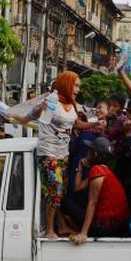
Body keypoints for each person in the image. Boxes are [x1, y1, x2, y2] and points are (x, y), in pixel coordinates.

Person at [12, 70, 89, 238]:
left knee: (58, 194)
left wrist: (94, 125)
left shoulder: (71, 104)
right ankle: (49, 230)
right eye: (75, 85)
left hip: (63, 154)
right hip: (49, 154)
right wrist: (40, 108)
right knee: (56, 192)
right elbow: (43, 120)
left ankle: (60, 225)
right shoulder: (53, 100)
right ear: (66, 84)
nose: (77, 89)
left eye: (78, 87)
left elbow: (76, 124)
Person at [57, 136, 130, 244]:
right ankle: (66, 226)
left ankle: (65, 227)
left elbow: (92, 203)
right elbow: (78, 187)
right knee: (73, 200)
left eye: (90, 150)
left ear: (95, 154)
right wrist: (80, 168)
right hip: (115, 226)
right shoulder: (102, 169)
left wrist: (84, 233)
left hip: (104, 228)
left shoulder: (97, 171)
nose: (87, 152)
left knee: (60, 200)